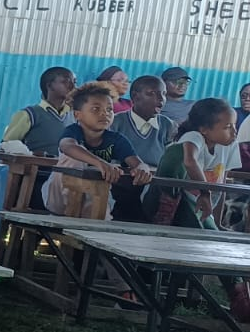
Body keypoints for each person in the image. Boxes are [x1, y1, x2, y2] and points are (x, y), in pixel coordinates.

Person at [42, 82, 153, 216]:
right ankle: (71, 210)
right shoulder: (73, 132)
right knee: (73, 159)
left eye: (109, 109)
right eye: (96, 109)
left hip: (94, 201)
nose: (104, 114)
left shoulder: (116, 139)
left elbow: (136, 162)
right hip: (59, 198)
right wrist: (100, 163)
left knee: (103, 184)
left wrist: (143, 169)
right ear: (77, 115)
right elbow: (68, 146)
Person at [144, 97, 238, 230]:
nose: (234, 132)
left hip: (202, 207)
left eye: (235, 125)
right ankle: (162, 218)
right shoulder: (194, 136)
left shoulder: (229, 145)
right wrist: (205, 193)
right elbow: (190, 161)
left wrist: (217, 223)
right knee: (176, 152)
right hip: (180, 202)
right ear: (204, 129)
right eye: (227, 127)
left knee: (212, 232)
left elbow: (221, 186)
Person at [109, 76, 173, 221]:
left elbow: (169, 160)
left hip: (154, 186)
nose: (161, 99)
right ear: (135, 96)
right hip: (121, 185)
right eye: (151, 93)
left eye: (163, 94)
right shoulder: (116, 122)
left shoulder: (167, 125)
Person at [0, 67, 75, 156]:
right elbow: (6, 146)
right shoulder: (29, 115)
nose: (72, 86)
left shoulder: (75, 115)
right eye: (66, 82)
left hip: (67, 165)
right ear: (49, 85)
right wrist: (31, 154)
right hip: (36, 165)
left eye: (74, 82)